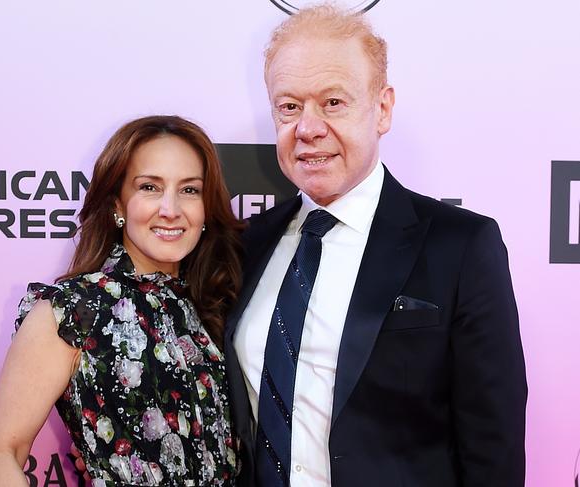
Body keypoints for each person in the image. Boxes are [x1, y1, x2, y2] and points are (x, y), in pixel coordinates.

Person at [223, 5, 527, 487]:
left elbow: (494, 448)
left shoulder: (461, 246)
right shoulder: (249, 244)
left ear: (382, 108)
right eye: (289, 106)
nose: (308, 128)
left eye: (334, 103)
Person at [0, 115, 243, 486]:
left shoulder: (216, 305)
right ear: (118, 204)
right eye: (150, 187)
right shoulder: (73, 309)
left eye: (189, 190)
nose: (171, 209)